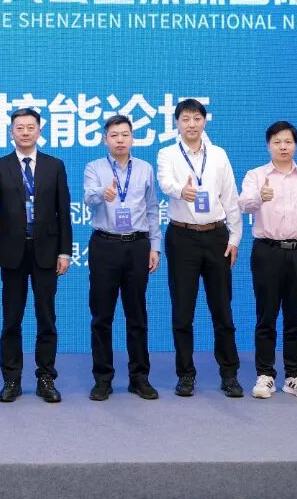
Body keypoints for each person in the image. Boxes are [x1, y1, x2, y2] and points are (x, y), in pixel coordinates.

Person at [0, 108, 72, 403]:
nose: (24, 132)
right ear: (11, 132)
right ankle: (12, 379)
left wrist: (65, 251)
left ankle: (46, 378)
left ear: (39, 131)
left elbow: (63, 212)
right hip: (12, 252)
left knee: (46, 318)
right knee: (12, 319)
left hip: (46, 251)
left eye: (30, 127)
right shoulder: (0, 165)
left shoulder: (54, 165)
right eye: (19, 128)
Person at [156, 98, 244, 398]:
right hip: (182, 238)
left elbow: (230, 197)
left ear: (204, 121)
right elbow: (164, 182)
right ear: (177, 123)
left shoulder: (219, 155)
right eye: (185, 119)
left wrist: (234, 238)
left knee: (222, 310)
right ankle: (186, 375)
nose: (191, 124)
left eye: (196, 118)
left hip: (217, 236)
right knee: (183, 311)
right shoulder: (167, 153)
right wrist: (181, 190)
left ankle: (229, 374)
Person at [239, 121, 297, 400]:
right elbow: (242, 204)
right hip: (267, 251)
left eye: (288, 142)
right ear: (268, 146)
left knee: (294, 316)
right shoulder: (256, 175)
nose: (283, 147)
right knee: (266, 315)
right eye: (277, 142)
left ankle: (293, 375)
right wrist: (259, 197)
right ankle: (265, 374)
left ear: (295, 145)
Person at [82, 115, 161, 401]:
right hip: (105, 245)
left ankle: (139, 378)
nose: (119, 140)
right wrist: (102, 193)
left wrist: (154, 246)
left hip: (137, 245)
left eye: (125, 135)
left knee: (137, 314)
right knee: (102, 316)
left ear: (132, 138)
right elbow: (88, 198)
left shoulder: (145, 169)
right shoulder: (94, 168)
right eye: (114, 135)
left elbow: (152, 209)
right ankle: (103, 379)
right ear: (105, 139)